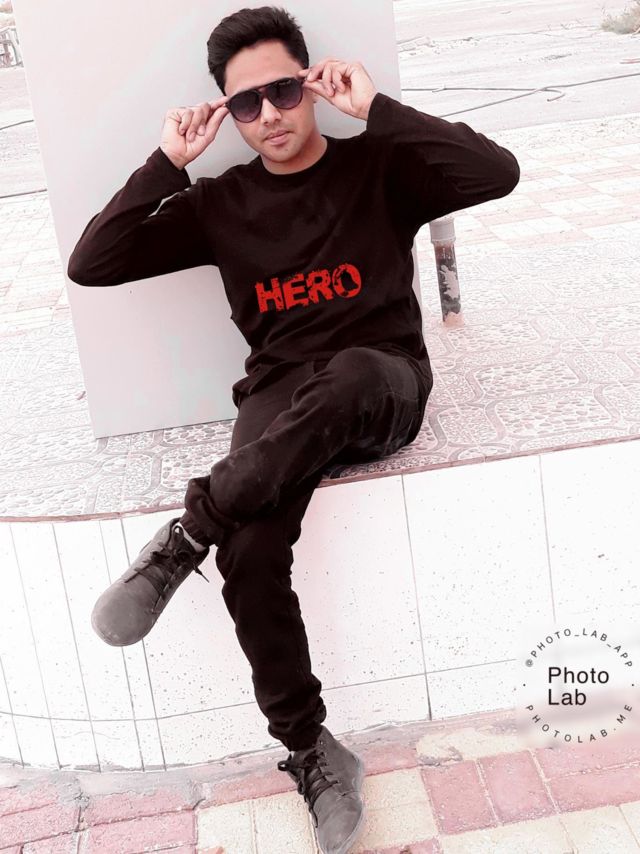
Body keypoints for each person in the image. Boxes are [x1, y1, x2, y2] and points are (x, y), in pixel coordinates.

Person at [66, 6, 520, 851]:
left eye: (282, 91)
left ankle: (186, 533)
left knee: (349, 376)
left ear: (311, 84)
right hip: (279, 396)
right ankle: (312, 749)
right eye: (246, 103)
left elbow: (498, 172)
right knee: (246, 546)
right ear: (228, 113)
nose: (269, 114)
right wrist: (167, 163)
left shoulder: (380, 164)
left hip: (381, 381)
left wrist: (374, 107)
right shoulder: (220, 203)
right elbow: (93, 263)